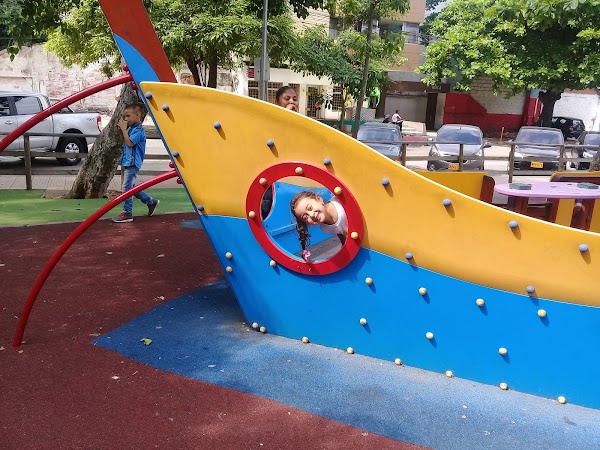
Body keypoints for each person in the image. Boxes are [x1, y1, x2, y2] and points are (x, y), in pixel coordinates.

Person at [112, 102, 159, 223]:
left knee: (126, 188)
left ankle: (127, 213)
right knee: (131, 188)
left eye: (128, 116)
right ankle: (150, 202)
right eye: (125, 116)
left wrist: (124, 130)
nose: (126, 119)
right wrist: (123, 130)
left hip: (133, 163)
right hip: (128, 161)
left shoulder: (138, 130)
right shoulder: (131, 129)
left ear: (137, 115)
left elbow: (130, 143)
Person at [261, 86, 300, 219]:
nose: (292, 102)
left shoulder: (301, 124)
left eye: (294, 99)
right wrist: (285, 115)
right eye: (287, 99)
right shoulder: (271, 122)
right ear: (277, 103)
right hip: (273, 179)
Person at [290, 190, 348, 259]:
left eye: (310, 208)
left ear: (319, 199)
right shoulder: (325, 228)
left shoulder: (340, 204)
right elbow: (341, 232)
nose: (311, 215)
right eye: (305, 217)